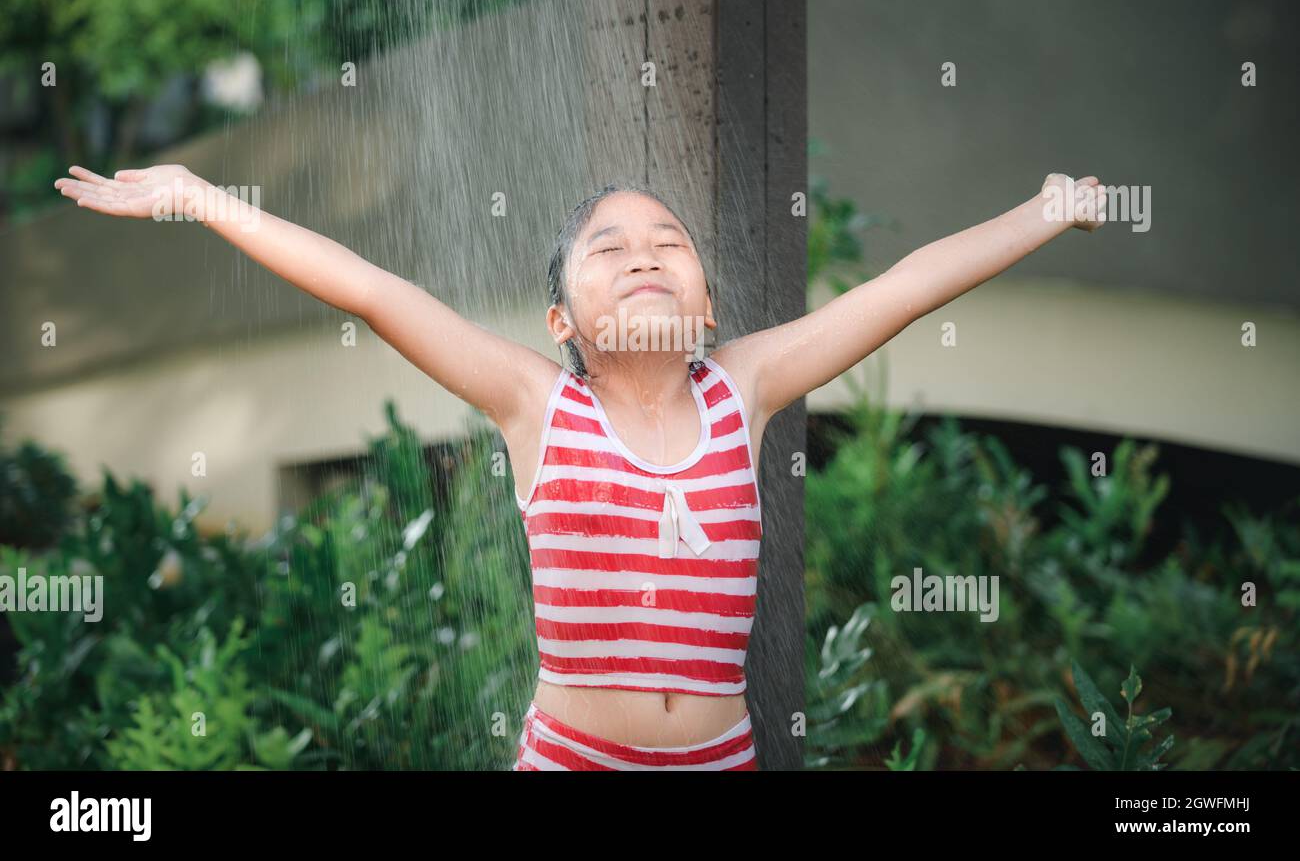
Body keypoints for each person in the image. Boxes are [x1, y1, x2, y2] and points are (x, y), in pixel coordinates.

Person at [53, 165, 1106, 770]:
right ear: (562, 320)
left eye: (668, 242)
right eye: (607, 249)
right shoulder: (537, 403)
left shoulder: (741, 388)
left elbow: (901, 288)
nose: (643, 252)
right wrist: (200, 195)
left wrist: (1043, 211)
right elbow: (369, 289)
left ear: (707, 309)